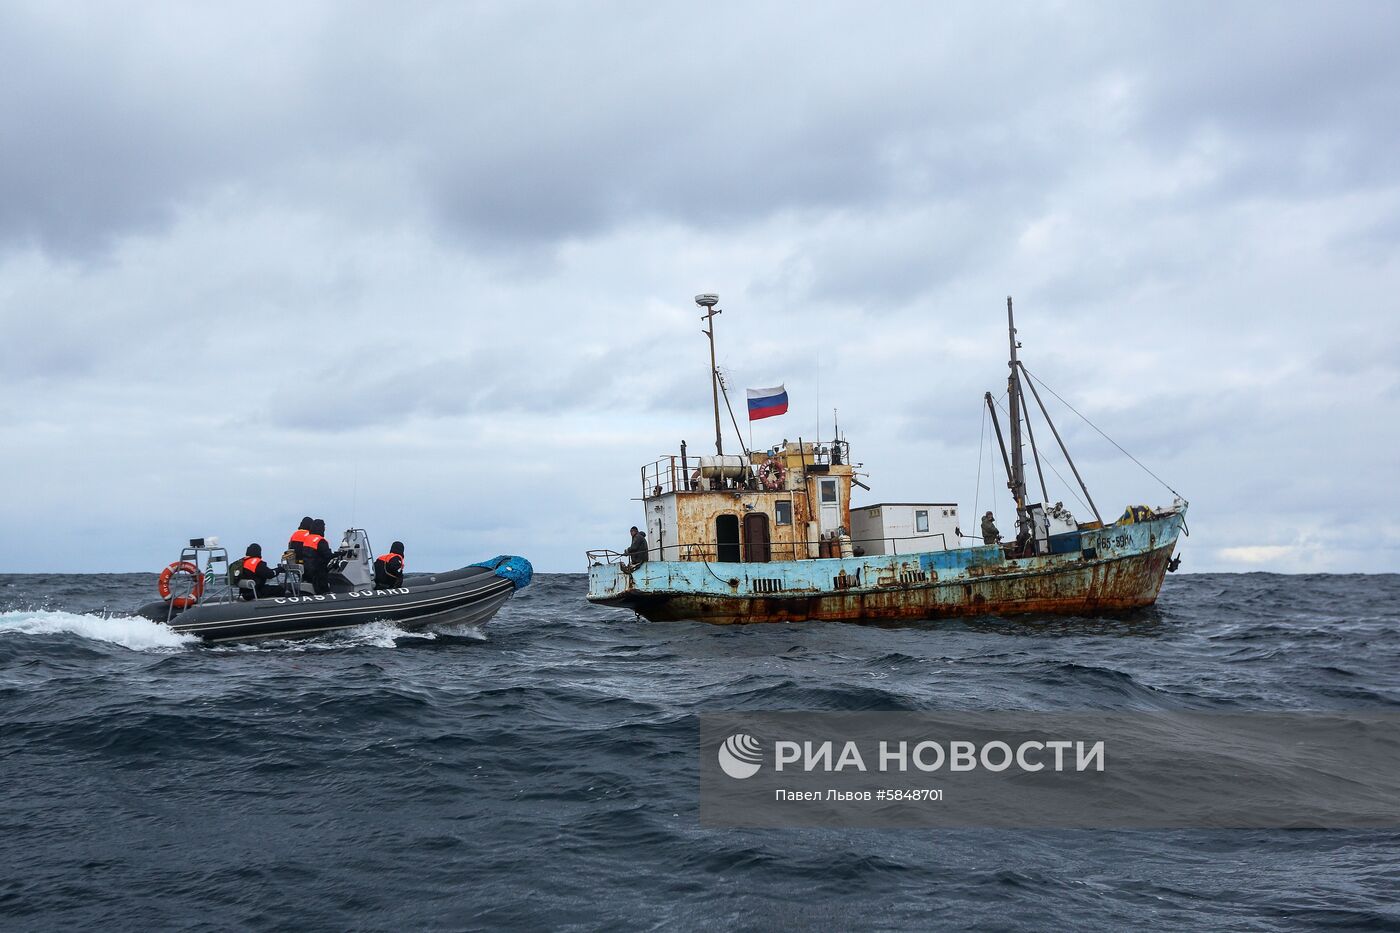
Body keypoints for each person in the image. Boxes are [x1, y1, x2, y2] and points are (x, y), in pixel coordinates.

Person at [301, 518, 334, 594]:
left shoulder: (307, 539)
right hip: (317, 573)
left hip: (306, 571)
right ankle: (325, 591)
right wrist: (340, 554)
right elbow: (328, 556)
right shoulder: (320, 541)